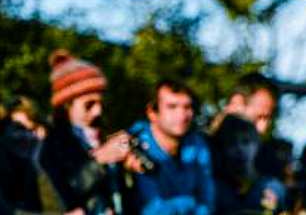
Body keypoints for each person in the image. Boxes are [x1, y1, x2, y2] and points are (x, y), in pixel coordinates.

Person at [39, 49, 135, 214]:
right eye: (89, 104)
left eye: (100, 103)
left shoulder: (105, 133)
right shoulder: (53, 144)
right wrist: (98, 161)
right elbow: (61, 194)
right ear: (67, 105)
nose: (98, 111)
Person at [129, 80, 214, 215]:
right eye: (172, 107)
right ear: (152, 112)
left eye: (187, 107)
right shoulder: (134, 147)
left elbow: (207, 200)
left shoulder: (198, 145)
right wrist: (190, 202)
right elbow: (151, 209)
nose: (182, 115)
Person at [210, 114, 287, 214]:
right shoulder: (214, 188)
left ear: (257, 144)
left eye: (246, 142)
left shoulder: (272, 187)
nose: (240, 149)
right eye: (232, 143)